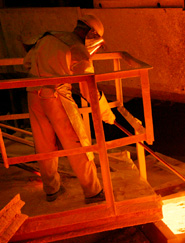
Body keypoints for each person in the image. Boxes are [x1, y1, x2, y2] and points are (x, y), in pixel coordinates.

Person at [23, 14, 115, 203]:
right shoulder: (77, 49)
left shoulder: (48, 37)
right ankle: (93, 192)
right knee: (78, 143)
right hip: (56, 96)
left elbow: (27, 63)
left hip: (33, 93)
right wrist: (107, 115)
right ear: (91, 34)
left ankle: (51, 189)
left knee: (44, 146)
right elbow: (89, 89)